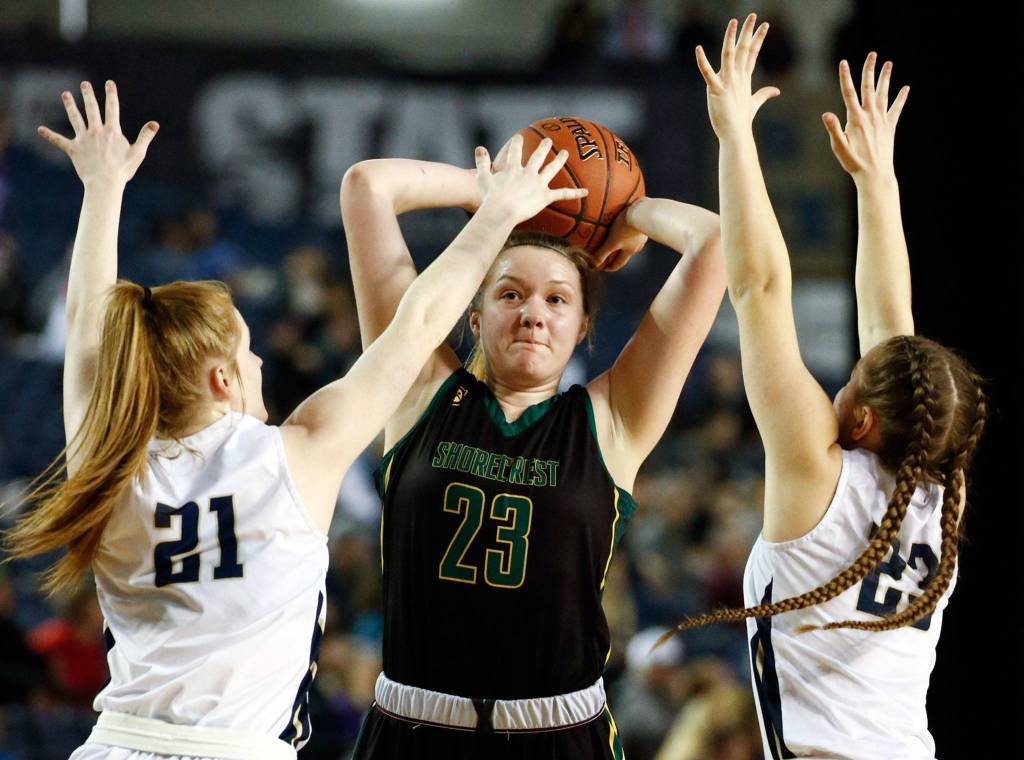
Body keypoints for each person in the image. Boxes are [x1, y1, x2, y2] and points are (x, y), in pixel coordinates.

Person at [3, 81, 584, 760]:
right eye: (248, 353)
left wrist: (101, 190)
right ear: (222, 379)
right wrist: (497, 216)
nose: (258, 366)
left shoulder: (111, 465)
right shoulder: (296, 453)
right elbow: (418, 321)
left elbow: (87, 338)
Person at [339, 136, 725, 758]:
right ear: (473, 315)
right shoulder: (416, 384)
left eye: (557, 299)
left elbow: (715, 242)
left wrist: (624, 215)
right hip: (413, 725)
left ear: (582, 327)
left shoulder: (611, 419)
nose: (534, 314)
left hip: (559, 732)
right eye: (510, 293)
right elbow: (367, 186)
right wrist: (490, 195)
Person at [668, 16, 986, 759]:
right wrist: (878, 184)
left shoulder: (818, 472)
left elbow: (759, 287)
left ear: (864, 420)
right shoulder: (939, 504)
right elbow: (889, 330)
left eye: (847, 381)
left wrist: (734, 135)